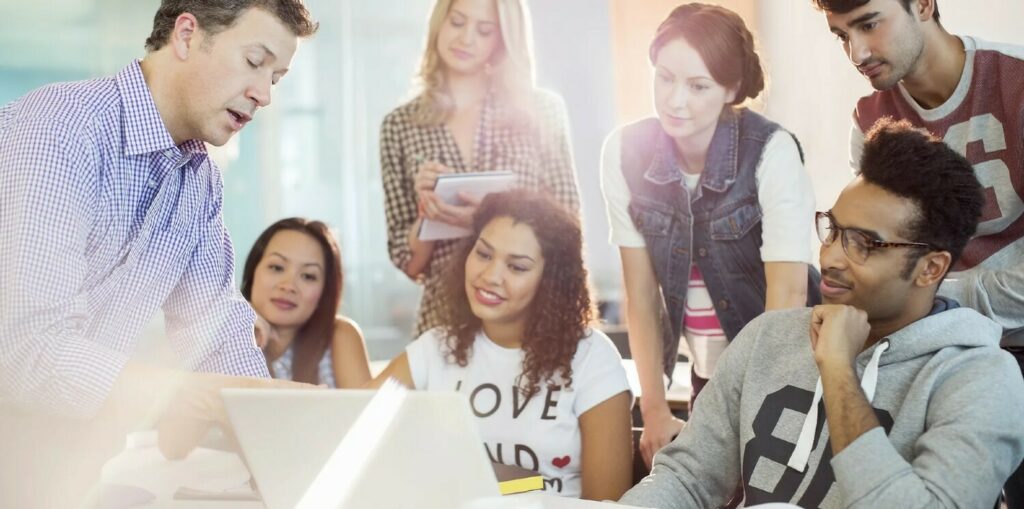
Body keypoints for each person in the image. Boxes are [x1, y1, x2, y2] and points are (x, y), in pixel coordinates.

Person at [0, 1, 318, 506]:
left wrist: (287, 439)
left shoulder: (199, 182)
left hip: (63, 465)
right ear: (187, 35)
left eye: (275, 78)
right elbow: (25, 352)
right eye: (255, 61)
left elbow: (217, 329)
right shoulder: (59, 130)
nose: (264, 95)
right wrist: (197, 395)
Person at [619, 118, 1024, 508]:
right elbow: (686, 478)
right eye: (832, 229)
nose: (830, 257)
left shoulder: (981, 378)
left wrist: (837, 369)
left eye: (863, 244)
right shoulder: (768, 337)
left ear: (930, 268)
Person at [813, 1, 1024, 501]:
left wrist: (941, 293)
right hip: (934, 353)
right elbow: (877, 261)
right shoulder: (869, 120)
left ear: (924, 5)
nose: (857, 52)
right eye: (841, 35)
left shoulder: (1015, 83)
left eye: (869, 24)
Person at [599, 2, 820, 469]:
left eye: (698, 86)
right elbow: (640, 294)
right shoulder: (624, 153)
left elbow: (788, 295)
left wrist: (758, 408)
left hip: (787, 374)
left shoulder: (771, 151)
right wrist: (654, 408)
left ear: (731, 88)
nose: (675, 101)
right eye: (664, 77)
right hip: (705, 379)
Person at [372, 190, 633, 501]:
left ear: (550, 282)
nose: (491, 276)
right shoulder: (435, 349)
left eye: (517, 267)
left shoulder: (592, 358)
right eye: (483, 254)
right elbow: (351, 420)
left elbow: (606, 504)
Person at [380, 0, 581, 339]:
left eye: (484, 30)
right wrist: (427, 209)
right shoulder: (399, 125)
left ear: (502, 39)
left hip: (528, 319)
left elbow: (569, 227)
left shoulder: (541, 110)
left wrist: (489, 215)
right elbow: (411, 264)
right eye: (457, 22)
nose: (466, 38)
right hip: (442, 320)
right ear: (439, 23)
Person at [241, 218, 371, 388]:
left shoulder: (339, 336)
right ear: (253, 272)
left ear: (325, 291)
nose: (288, 286)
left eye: (308, 276)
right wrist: (240, 324)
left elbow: (368, 412)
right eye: (277, 267)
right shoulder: (221, 329)